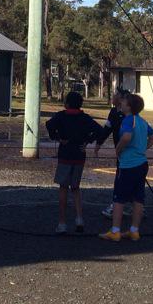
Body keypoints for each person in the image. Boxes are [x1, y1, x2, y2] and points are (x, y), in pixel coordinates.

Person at [46, 90, 110, 234]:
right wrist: (88, 141)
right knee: (75, 188)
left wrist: (57, 137)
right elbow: (100, 131)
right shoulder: (85, 118)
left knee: (63, 188)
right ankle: (79, 218)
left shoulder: (61, 116)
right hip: (79, 155)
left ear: (67, 103)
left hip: (65, 155)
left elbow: (49, 125)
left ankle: (62, 223)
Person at [99, 93, 153, 242]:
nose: (121, 102)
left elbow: (126, 137)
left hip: (128, 164)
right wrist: (143, 148)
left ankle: (115, 231)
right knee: (138, 198)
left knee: (119, 198)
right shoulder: (142, 121)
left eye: (124, 101)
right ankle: (134, 230)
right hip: (142, 163)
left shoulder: (128, 120)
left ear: (129, 106)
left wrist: (118, 150)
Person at [99, 87, 130, 220]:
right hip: (121, 153)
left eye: (115, 95)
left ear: (122, 100)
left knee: (123, 178)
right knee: (123, 177)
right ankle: (127, 205)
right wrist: (98, 143)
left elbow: (128, 137)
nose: (113, 96)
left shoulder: (131, 116)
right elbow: (107, 128)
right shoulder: (113, 112)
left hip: (128, 153)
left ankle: (118, 207)